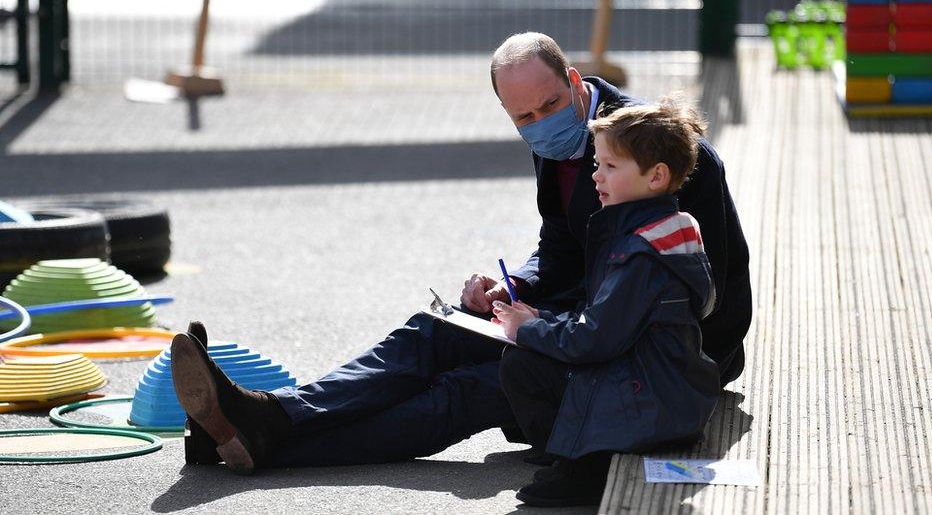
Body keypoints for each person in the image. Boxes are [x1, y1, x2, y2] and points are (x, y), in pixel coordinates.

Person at [168, 31, 750, 476]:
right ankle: (263, 417)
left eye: (548, 107)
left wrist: (543, 331)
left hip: (648, 362)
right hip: (595, 328)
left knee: (467, 387)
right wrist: (514, 291)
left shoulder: (669, 157)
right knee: (433, 333)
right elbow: (563, 249)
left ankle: (259, 436)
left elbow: (703, 307)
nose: (540, 125)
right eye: (522, 118)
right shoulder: (568, 145)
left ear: (575, 83)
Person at [493, 101, 720, 507]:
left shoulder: (641, 253)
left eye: (611, 167)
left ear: (657, 176)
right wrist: (539, 317)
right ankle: (574, 449)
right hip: (671, 390)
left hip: (652, 402)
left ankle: (584, 467)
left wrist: (526, 329)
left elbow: (594, 339)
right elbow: (607, 320)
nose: (596, 176)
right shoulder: (662, 229)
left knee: (523, 365)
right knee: (534, 352)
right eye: (597, 164)